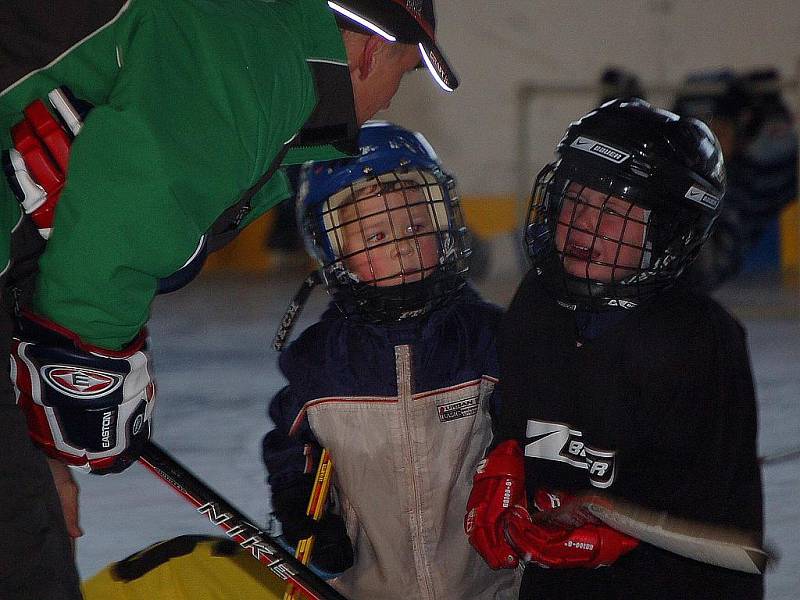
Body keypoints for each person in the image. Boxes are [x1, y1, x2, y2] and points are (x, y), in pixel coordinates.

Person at [0, 1, 459, 598]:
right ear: (372, 49)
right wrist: (87, 367)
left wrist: (42, 456)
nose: (396, 93)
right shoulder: (258, 62)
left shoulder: (239, 35)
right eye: (405, 69)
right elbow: (125, 224)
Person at [465, 99, 764, 598]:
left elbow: (715, 524)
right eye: (576, 200)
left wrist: (623, 526)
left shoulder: (699, 341)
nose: (585, 224)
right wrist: (504, 464)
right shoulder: (536, 304)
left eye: (616, 211)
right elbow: (523, 424)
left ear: (667, 233)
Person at [262, 121, 520, 599]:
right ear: (334, 250)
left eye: (416, 226)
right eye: (376, 235)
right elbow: (291, 447)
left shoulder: (489, 339)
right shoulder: (318, 363)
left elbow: (530, 430)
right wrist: (300, 508)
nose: (402, 244)